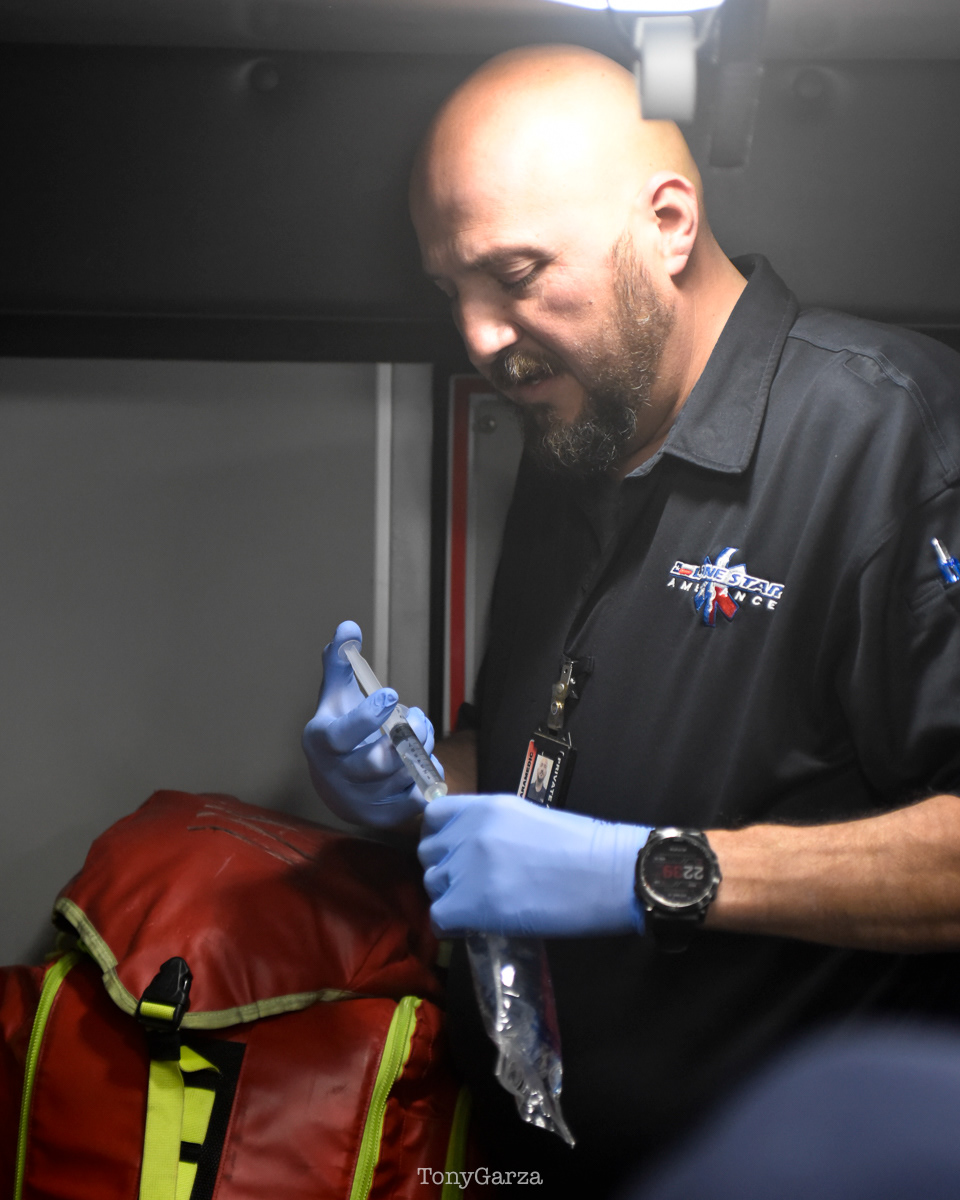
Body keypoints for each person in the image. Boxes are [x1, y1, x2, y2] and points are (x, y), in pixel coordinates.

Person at [303, 44, 960, 1196]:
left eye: (514, 273)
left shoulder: (892, 435)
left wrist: (655, 872)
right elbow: (550, 752)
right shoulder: (579, 423)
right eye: (451, 290)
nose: (479, 336)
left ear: (668, 224)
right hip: (531, 1161)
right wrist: (419, 777)